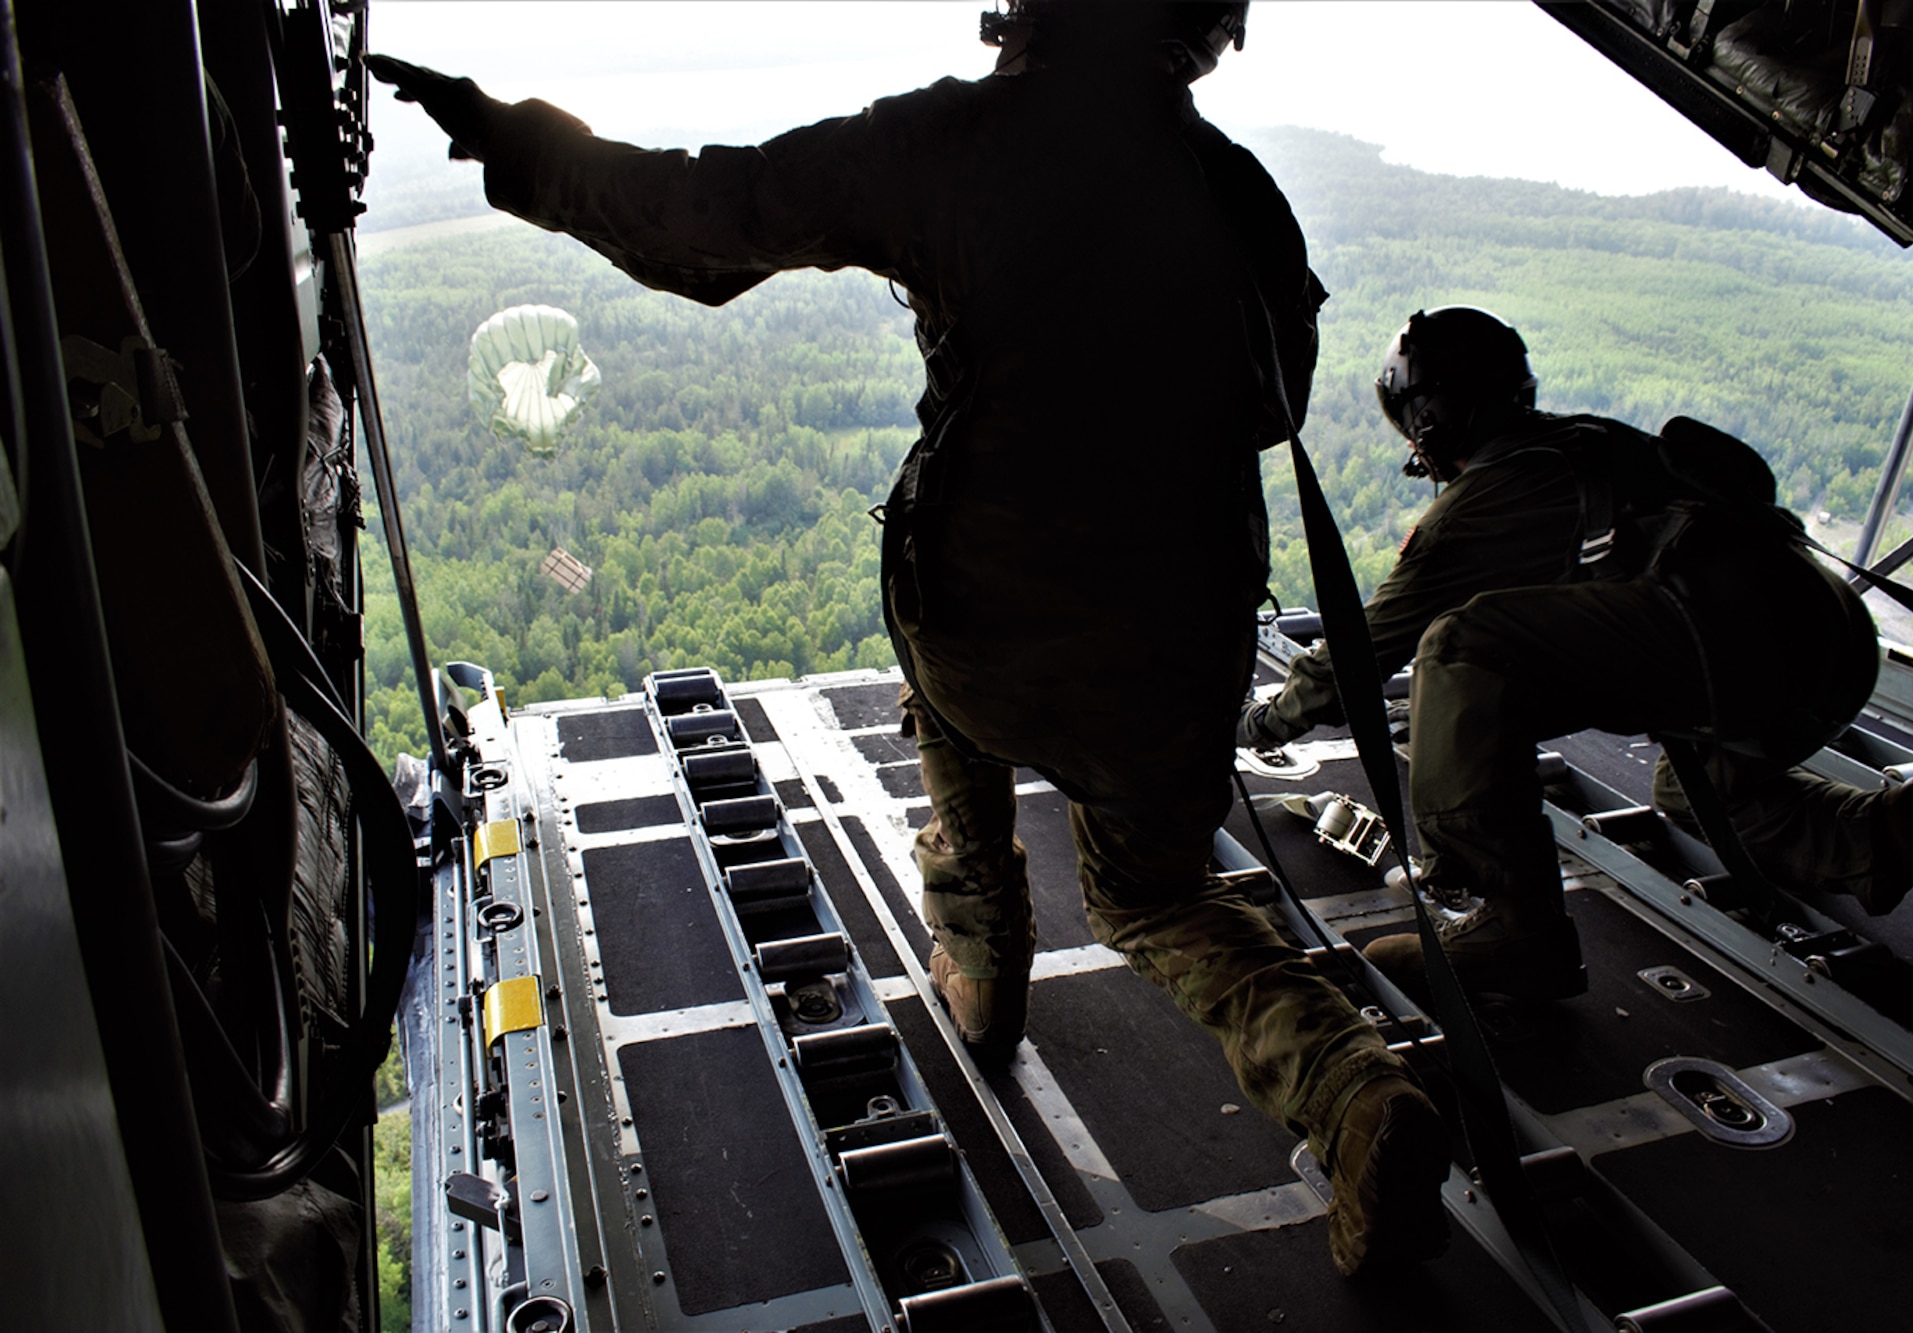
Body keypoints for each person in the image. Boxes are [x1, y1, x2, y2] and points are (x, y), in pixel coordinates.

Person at [370, 0, 1449, 1277]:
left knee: (955, 717)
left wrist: (515, 140)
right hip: (1176, 622)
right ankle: (1348, 1088)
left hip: (986, 603)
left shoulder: (957, 139)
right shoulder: (1237, 190)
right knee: (1155, 894)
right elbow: (1271, 408)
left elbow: (709, 220)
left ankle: (981, 972)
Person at [1241, 306, 1913, 999]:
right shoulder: (1590, 440)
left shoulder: (1495, 491)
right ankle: (1895, 831)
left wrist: (1258, 727)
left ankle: (1516, 927)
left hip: (1738, 644)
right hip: (1826, 645)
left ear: (1433, 415)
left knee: (1463, 646)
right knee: (1697, 793)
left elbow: (1361, 651)